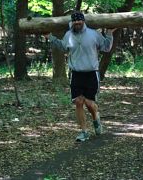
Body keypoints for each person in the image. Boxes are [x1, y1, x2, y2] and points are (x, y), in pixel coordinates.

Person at [45, 11, 115, 142]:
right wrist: (50, 37)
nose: (77, 23)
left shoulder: (94, 34)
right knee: (78, 102)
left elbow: (106, 47)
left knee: (89, 103)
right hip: (76, 73)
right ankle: (84, 132)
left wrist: (110, 33)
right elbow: (62, 46)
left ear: (83, 21)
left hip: (91, 73)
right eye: (75, 21)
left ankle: (96, 118)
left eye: (80, 20)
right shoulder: (68, 35)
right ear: (72, 22)